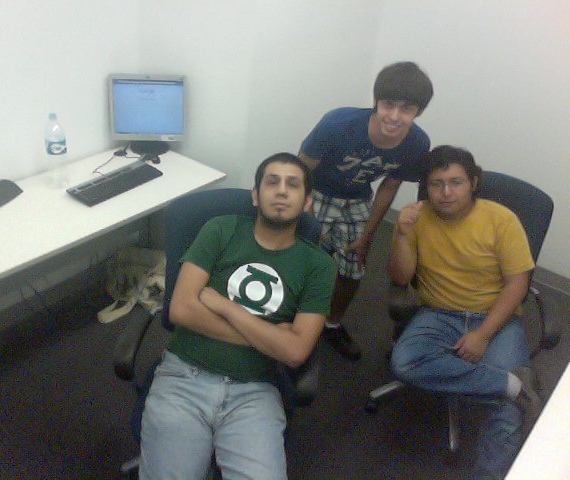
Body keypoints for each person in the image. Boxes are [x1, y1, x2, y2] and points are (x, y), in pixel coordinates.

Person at [139, 152, 336, 480]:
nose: (282, 190)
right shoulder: (221, 229)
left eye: (293, 184)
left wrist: (223, 305)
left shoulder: (319, 265)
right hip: (184, 377)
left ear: (307, 203)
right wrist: (272, 337)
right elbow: (182, 309)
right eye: (272, 182)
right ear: (256, 196)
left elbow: (296, 352)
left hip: (256, 392)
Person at [388, 146, 542, 480]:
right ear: (426, 187)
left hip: (495, 317)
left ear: (473, 182)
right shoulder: (416, 218)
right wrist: (401, 233)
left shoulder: (501, 219)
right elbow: (400, 278)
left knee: (508, 415)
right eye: (436, 184)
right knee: (404, 363)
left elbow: (517, 284)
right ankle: (511, 385)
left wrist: (483, 334)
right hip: (438, 313)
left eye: (456, 182)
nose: (446, 193)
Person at [299, 61, 433, 360]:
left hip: (357, 198)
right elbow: (302, 167)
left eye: (406, 109)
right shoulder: (338, 123)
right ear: (376, 100)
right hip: (317, 190)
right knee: (303, 260)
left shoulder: (417, 142)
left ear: (419, 111)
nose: (394, 116)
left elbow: (389, 185)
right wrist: (303, 208)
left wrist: (368, 234)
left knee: (353, 270)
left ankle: (331, 324)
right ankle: (291, 321)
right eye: (388, 105)